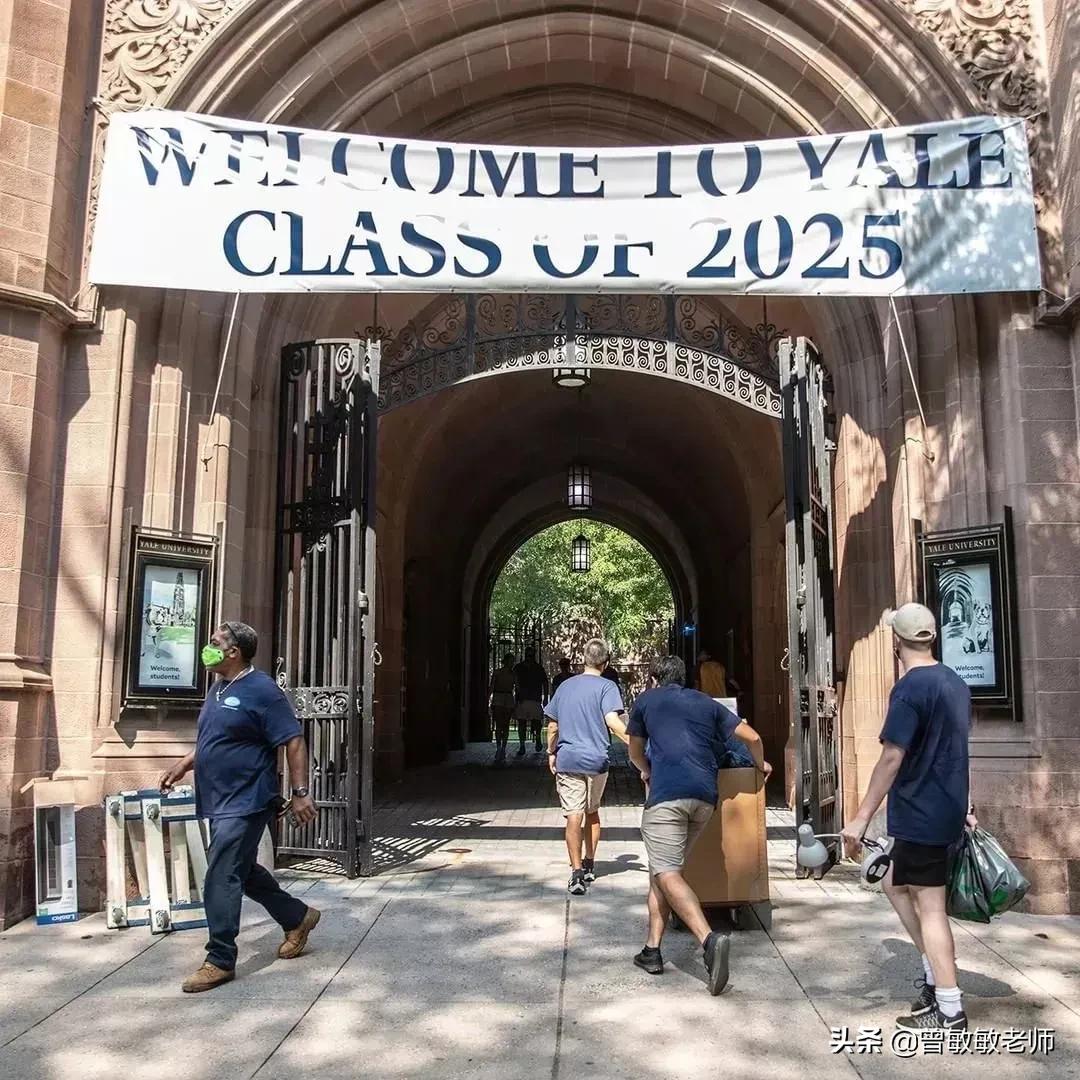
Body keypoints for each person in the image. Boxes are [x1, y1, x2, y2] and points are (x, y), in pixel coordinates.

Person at [158, 621, 320, 993]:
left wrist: (300, 792)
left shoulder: (263, 690)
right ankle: (297, 916)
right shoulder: (218, 688)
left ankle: (219, 959)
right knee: (241, 871)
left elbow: (293, 740)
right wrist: (184, 764)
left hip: (247, 799)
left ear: (233, 652)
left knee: (220, 873)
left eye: (214, 643)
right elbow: (215, 739)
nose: (207, 648)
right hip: (219, 798)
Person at [841, 603, 975, 1033]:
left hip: (922, 812)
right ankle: (935, 974)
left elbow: (891, 758)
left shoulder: (909, 689)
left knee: (931, 908)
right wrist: (966, 805)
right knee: (892, 882)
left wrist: (861, 818)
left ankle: (949, 1007)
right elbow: (957, 748)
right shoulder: (955, 683)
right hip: (943, 808)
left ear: (896, 642)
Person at [627, 654, 772, 996]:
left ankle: (708, 941)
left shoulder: (646, 701)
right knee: (663, 871)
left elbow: (634, 752)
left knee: (666, 873)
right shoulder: (707, 702)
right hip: (704, 800)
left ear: (653, 678)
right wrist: (760, 763)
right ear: (686, 678)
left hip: (666, 798)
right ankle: (652, 950)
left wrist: (647, 770)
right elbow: (752, 737)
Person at [545, 638, 629, 895]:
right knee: (592, 812)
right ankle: (590, 863)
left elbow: (553, 726)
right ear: (606, 662)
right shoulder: (607, 687)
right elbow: (612, 721)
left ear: (583, 659)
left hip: (569, 759)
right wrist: (635, 744)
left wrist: (551, 751)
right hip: (596, 760)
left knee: (573, 815)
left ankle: (576, 872)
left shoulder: (565, 686)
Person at [513, 646, 549, 755]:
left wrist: (545, 698)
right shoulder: (518, 668)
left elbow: (545, 683)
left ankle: (537, 738)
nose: (530, 657)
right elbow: (514, 682)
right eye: (528, 655)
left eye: (531, 655)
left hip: (535, 699)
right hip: (522, 699)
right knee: (522, 722)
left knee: (537, 721)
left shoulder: (538, 668)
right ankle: (522, 745)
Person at [489, 652, 516, 765]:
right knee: (499, 724)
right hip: (499, 697)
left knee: (505, 724)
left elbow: (517, 687)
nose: (512, 663)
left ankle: (502, 748)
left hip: (507, 698)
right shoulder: (497, 673)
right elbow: (492, 687)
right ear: (506, 661)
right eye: (511, 661)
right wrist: (489, 699)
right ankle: (499, 747)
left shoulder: (512, 674)